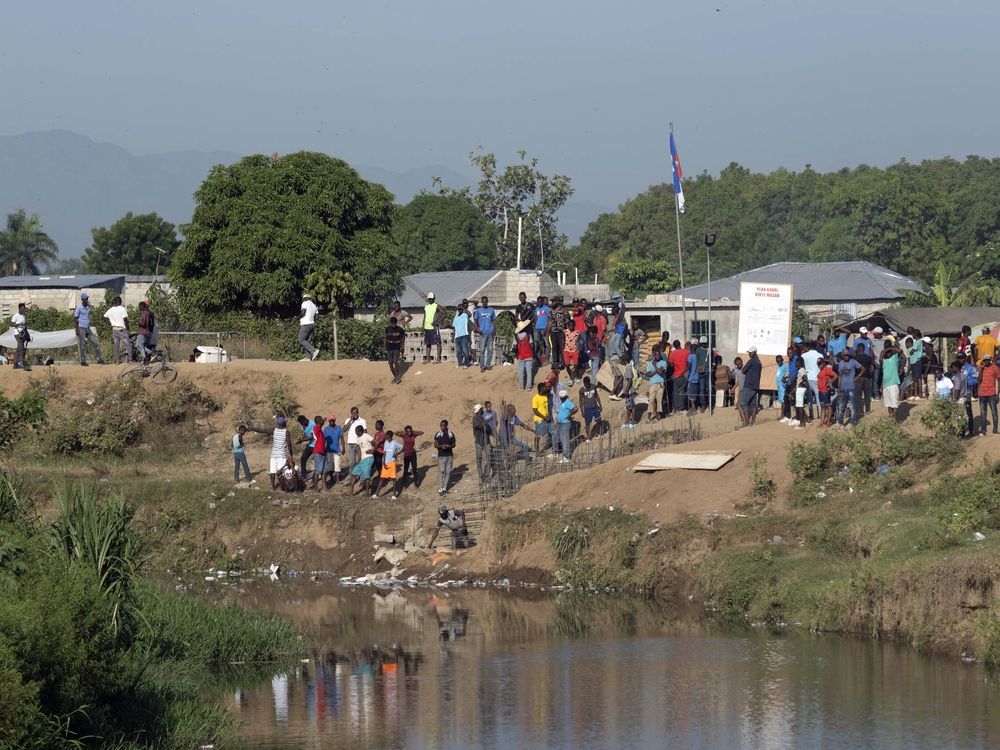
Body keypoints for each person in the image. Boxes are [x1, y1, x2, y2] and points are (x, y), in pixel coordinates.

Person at [372, 430, 404, 500]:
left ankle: (394, 495)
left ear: (389, 436)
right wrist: (383, 463)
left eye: (386, 435)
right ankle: (376, 494)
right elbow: (385, 453)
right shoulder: (386, 443)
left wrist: (397, 454)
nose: (385, 436)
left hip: (392, 463)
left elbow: (403, 447)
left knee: (393, 479)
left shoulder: (395, 443)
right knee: (382, 478)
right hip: (385, 463)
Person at [74, 293, 104, 366]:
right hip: (81, 327)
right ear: (82, 300)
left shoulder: (88, 307)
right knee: (83, 344)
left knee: (95, 342)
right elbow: (75, 319)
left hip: (88, 328)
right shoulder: (79, 308)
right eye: (86, 299)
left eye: (87, 298)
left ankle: (99, 359)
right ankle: (83, 361)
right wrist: (76, 329)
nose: (87, 300)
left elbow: (92, 311)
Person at [834, 350, 862, 428]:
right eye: (845, 355)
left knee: (852, 405)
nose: (847, 357)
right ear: (842, 356)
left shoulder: (853, 362)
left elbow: (862, 369)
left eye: (848, 355)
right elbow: (840, 375)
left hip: (851, 386)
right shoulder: (840, 363)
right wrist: (839, 386)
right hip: (843, 387)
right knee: (842, 405)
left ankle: (853, 421)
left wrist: (857, 377)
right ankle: (840, 422)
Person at [103, 295, 132, 364]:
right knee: (128, 344)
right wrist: (128, 330)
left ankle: (117, 360)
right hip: (122, 329)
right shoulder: (122, 309)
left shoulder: (111, 309)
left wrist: (111, 323)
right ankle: (130, 360)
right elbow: (125, 320)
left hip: (114, 329)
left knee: (116, 346)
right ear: (120, 301)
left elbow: (104, 317)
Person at [348, 424, 375, 496]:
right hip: (362, 460)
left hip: (368, 458)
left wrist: (373, 451)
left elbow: (375, 442)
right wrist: (358, 459)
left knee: (367, 476)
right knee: (354, 473)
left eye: (356, 431)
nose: (355, 433)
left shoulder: (366, 436)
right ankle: (350, 492)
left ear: (360, 431)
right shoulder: (358, 438)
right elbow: (359, 449)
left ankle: (367, 493)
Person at [739, 347, 762, 428]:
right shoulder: (759, 362)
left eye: (750, 352)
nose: (749, 354)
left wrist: (747, 370)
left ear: (755, 353)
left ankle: (746, 422)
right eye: (749, 352)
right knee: (753, 404)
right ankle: (752, 422)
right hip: (755, 386)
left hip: (749, 385)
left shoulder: (751, 361)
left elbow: (743, 371)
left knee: (743, 403)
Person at [950, 362, 975, 437]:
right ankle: (967, 432)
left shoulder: (957, 377)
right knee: (965, 415)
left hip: (959, 398)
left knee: (959, 417)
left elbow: (957, 390)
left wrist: (954, 400)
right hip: (965, 397)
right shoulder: (963, 376)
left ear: (956, 368)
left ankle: (962, 433)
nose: (951, 369)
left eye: (952, 367)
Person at [881, 340, 903, 421]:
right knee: (888, 405)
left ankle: (894, 419)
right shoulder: (883, 359)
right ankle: (891, 420)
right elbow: (880, 357)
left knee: (894, 405)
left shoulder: (894, 357)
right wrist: (881, 385)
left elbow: (901, 351)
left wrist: (890, 348)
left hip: (893, 384)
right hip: (885, 385)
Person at [473, 296, 496, 372]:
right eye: (483, 302)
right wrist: (477, 329)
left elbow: (493, 320)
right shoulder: (478, 311)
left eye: (486, 301)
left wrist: (494, 329)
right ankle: (482, 366)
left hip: (490, 333)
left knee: (490, 350)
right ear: (482, 302)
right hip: (482, 333)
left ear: (487, 301)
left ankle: (488, 365)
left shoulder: (491, 310)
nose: (485, 303)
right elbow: (475, 320)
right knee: (482, 350)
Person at [977, 354, 999, 435]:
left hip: (992, 394)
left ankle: (995, 429)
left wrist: (997, 394)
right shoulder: (981, 368)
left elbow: (999, 380)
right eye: (984, 360)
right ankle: (983, 430)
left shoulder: (995, 368)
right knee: (983, 412)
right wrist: (981, 370)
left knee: (994, 412)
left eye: (987, 360)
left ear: (990, 359)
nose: (986, 361)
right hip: (982, 394)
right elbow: (979, 380)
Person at [269, 416, 292, 490]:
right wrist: (291, 455)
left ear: (277, 423)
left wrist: (251, 429)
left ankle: (273, 488)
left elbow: (262, 430)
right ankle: (283, 487)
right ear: (284, 423)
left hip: (273, 455)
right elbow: (289, 444)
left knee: (272, 471)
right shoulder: (286, 432)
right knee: (281, 472)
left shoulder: (274, 430)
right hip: (281, 455)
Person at [434, 419, 456, 495]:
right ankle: (440, 488)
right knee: (441, 472)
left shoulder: (451, 434)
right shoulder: (438, 434)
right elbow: (435, 445)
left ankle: (445, 487)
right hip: (441, 456)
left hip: (449, 455)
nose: (442, 427)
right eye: (441, 425)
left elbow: (454, 444)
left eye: (443, 425)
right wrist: (441, 446)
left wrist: (449, 446)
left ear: (446, 425)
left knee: (448, 472)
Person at [645, 345, 667, 422]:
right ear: (654, 355)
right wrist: (656, 371)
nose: (657, 356)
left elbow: (661, 372)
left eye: (659, 354)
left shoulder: (663, 363)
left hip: (660, 383)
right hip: (652, 384)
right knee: (651, 400)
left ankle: (657, 417)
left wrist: (655, 366)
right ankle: (649, 416)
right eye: (656, 354)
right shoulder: (649, 363)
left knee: (659, 400)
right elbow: (648, 374)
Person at [555, 386, 577, 462]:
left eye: (561, 397)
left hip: (565, 423)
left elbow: (575, 409)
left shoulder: (567, 402)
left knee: (565, 440)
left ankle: (567, 457)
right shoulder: (563, 402)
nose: (560, 398)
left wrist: (569, 415)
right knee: (561, 438)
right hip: (560, 423)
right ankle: (563, 454)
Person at [344, 406, 367, 476]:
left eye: (356, 412)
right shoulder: (348, 420)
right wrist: (350, 420)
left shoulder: (362, 421)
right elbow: (344, 430)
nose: (355, 414)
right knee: (352, 462)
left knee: (360, 460)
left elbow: (365, 432)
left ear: (358, 412)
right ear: (351, 413)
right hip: (351, 444)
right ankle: (352, 476)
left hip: (359, 444)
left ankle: (360, 475)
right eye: (353, 413)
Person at [472, 404, 492, 481]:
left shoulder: (482, 418)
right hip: (479, 442)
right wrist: (485, 423)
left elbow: (489, 430)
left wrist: (486, 424)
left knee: (489, 458)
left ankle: (486, 475)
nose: (483, 410)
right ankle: (481, 476)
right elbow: (478, 426)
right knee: (479, 459)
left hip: (486, 441)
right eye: (481, 409)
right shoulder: (475, 418)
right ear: (479, 410)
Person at [668, 339, 689, 415]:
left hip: (675, 375)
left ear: (674, 346)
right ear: (680, 344)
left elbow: (671, 365)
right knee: (681, 392)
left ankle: (676, 408)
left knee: (676, 392)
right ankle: (681, 408)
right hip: (683, 375)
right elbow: (688, 362)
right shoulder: (686, 352)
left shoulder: (672, 354)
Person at [853, 341, 874, 416]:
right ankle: (868, 410)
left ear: (858, 349)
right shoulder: (868, 357)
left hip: (858, 378)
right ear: (864, 349)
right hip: (867, 378)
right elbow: (872, 368)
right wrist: (870, 375)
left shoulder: (855, 358)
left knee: (858, 395)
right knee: (867, 395)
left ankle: (860, 411)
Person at [323, 415, 344, 486]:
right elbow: (324, 440)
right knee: (330, 466)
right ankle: (332, 478)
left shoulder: (338, 428)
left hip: (337, 450)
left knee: (337, 465)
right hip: (328, 450)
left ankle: (337, 479)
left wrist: (343, 448)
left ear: (335, 420)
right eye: (330, 420)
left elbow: (342, 438)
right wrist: (323, 449)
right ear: (329, 421)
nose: (332, 422)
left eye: (333, 420)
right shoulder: (326, 429)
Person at [513, 322, 535, 389]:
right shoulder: (528, 335)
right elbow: (531, 345)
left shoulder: (516, 337)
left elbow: (514, 346)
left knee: (521, 371)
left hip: (521, 356)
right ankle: (529, 386)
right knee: (529, 371)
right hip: (529, 355)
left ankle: (521, 386)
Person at [531, 382, 552, 454]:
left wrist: (548, 416)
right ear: (541, 389)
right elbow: (535, 411)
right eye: (545, 387)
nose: (546, 388)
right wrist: (544, 417)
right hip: (539, 420)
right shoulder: (535, 398)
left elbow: (547, 408)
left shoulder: (545, 396)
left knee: (550, 433)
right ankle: (537, 451)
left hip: (546, 419)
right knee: (538, 436)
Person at [580, 376, 602, 441]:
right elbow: (580, 401)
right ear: (584, 383)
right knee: (587, 423)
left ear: (589, 382)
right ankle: (589, 437)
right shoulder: (581, 390)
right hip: (587, 408)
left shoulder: (593, 387)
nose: (587, 385)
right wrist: (582, 411)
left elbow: (597, 396)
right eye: (585, 384)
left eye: (588, 384)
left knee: (598, 420)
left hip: (595, 406)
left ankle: (596, 434)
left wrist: (600, 405)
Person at [298, 292, 320, 361]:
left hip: (305, 324)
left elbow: (303, 313)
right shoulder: (314, 305)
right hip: (312, 324)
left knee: (301, 340)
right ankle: (307, 357)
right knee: (308, 341)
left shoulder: (304, 303)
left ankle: (314, 350)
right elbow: (317, 317)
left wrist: (297, 317)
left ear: (304, 298)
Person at [422, 292, 443, 364]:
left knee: (438, 343)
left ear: (434, 299)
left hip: (434, 328)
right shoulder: (426, 307)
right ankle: (428, 359)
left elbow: (444, 314)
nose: (430, 300)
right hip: (427, 328)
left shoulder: (437, 306)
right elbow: (424, 318)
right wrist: (422, 328)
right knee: (428, 343)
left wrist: (438, 322)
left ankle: (438, 359)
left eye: (431, 299)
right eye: (429, 299)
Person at [384, 316, 405, 384]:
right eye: (392, 323)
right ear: (390, 323)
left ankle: (398, 377)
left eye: (394, 323)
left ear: (396, 323)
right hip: (389, 347)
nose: (393, 324)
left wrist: (402, 347)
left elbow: (402, 340)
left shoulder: (400, 330)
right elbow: (385, 338)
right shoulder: (387, 329)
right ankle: (395, 376)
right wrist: (385, 347)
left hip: (397, 347)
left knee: (395, 361)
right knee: (390, 363)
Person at [817, 357, 837, 427]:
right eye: (818, 364)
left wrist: (829, 383)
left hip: (825, 391)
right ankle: (821, 422)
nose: (819, 365)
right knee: (822, 407)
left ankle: (828, 422)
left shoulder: (827, 370)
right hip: (820, 391)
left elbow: (835, 376)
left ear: (823, 363)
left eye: (820, 364)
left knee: (828, 406)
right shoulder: (821, 370)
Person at [310, 416, 328, 492]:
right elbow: (318, 425)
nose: (322, 421)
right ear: (318, 421)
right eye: (320, 420)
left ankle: (324, 487)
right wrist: (322, 420)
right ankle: (316, 487)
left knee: (324, 471)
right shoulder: (316, 429)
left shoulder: (320, 431)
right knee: (318, 471)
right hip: (318, 452)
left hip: (322, 452)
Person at [451, 302, 472, 368]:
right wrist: (453, 337)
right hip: (457, 337)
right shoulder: (455, 318)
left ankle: (466, 364)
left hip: (464, 335)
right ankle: (460, 363)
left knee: (465, 350)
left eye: (460, 309)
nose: (459, 310)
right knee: (458, 351)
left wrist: (463, 308)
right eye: (458, 309)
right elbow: (454, 328)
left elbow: (470, 314)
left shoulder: (465, 315)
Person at [295, 414, 316, 479]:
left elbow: (312, 436)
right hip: (310, 445)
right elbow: (306, 435)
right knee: (303, 458)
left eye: (301, 423)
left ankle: (318, 474)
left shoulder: (313, 423)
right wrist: (301, 439)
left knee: (316, 460)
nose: (301, 425)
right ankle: (304, 475)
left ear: (304, 420)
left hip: (316, 444)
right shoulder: (304, 426)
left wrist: (301, 440)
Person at [11, 302, 30, 371]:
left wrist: (25, 328)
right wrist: (19, 324)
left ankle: (15, 365)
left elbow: (24, 325)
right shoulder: (15, 316)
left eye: (24, 309)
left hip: (23, 333)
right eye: (22, 309)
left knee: (18, 349)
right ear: (19, 308)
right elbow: (11, 324)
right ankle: (24, 363)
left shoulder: (24, 315)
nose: (23, 310)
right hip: (17, 334)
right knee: (21, 347)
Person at [532, 295, 551, 364]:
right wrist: (535, 326)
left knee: (546, 344)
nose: (539, 303)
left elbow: (550, 320)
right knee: (537, 344)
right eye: (538, 302)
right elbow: (536, 318)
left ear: (542, 302)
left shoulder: (548, 309)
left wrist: (547, 329)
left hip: (544, 329)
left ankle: (546, 360)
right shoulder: (536, 309)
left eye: (540, 301)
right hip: (537, 329)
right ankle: (538, 360)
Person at [549, 299, 568, 368]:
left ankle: (562, 362)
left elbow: (567, 321)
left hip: (561, 332)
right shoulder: (551, 311)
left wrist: (565, 330)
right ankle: (555, 363)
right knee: (554, 347)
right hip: (553, 332)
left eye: (553, 302)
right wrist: (548, 331)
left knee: (561, 347)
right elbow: (549, 322)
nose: (552, 303)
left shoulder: (564, 311)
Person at [792, 358, 808, 429]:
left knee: (800, 407)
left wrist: (801, 383)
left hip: (800, 389)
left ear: (799, 363)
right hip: (800, 389)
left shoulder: (801, 370)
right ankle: (803, 421)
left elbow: (805, 378)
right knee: (799, 406)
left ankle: (802, 423)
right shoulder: (802, 370)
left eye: (796, 362)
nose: (795, 363)